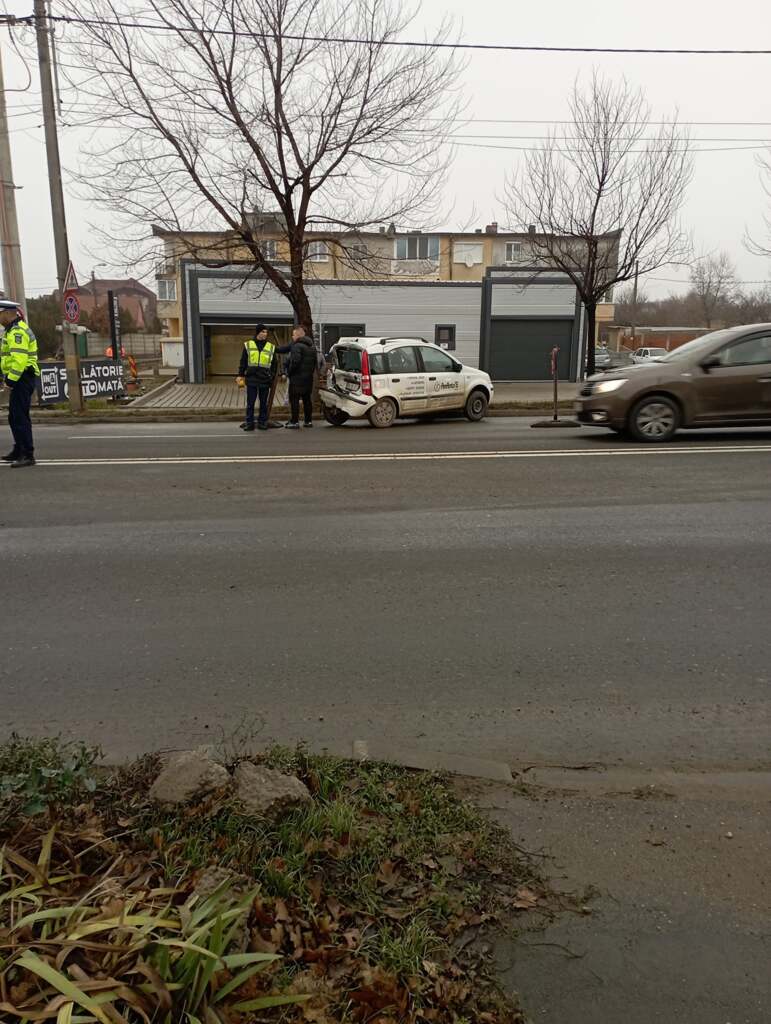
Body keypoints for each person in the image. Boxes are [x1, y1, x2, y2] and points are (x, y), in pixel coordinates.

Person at [0, 300, 40, 468]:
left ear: (7, 313)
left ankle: (27, 454)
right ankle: (19, 449)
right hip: (20, 378)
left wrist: (10, 381)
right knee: (15, 416)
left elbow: (19, 361)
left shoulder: (17, 332)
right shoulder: (11, 330)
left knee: (19, 417)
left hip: (22, 378)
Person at [237, 324, 276, 431]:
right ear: (258, 332)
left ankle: (262, 422)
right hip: (252, 378)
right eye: (263, 331)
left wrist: (271, 376)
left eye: (266, 332)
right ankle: (249, 423)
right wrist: (240, 375)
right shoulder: (249, 345)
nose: (265, 334)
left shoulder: (270, 347)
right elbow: (243, 361)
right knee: (250, 403)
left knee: (263, 403)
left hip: (264, 379)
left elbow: (274, 364)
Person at [284, 324, 317, 429]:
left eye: (293, 335)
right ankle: (308, 421)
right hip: (308, 379)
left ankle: (294, 421)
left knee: (294, 400)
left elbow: (295, 361)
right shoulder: (312, 347)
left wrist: (289, 372)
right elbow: (314, 363)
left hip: (296, 379)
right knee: (307, 400)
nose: (292, 337)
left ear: (298, 335)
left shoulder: (296, 346)